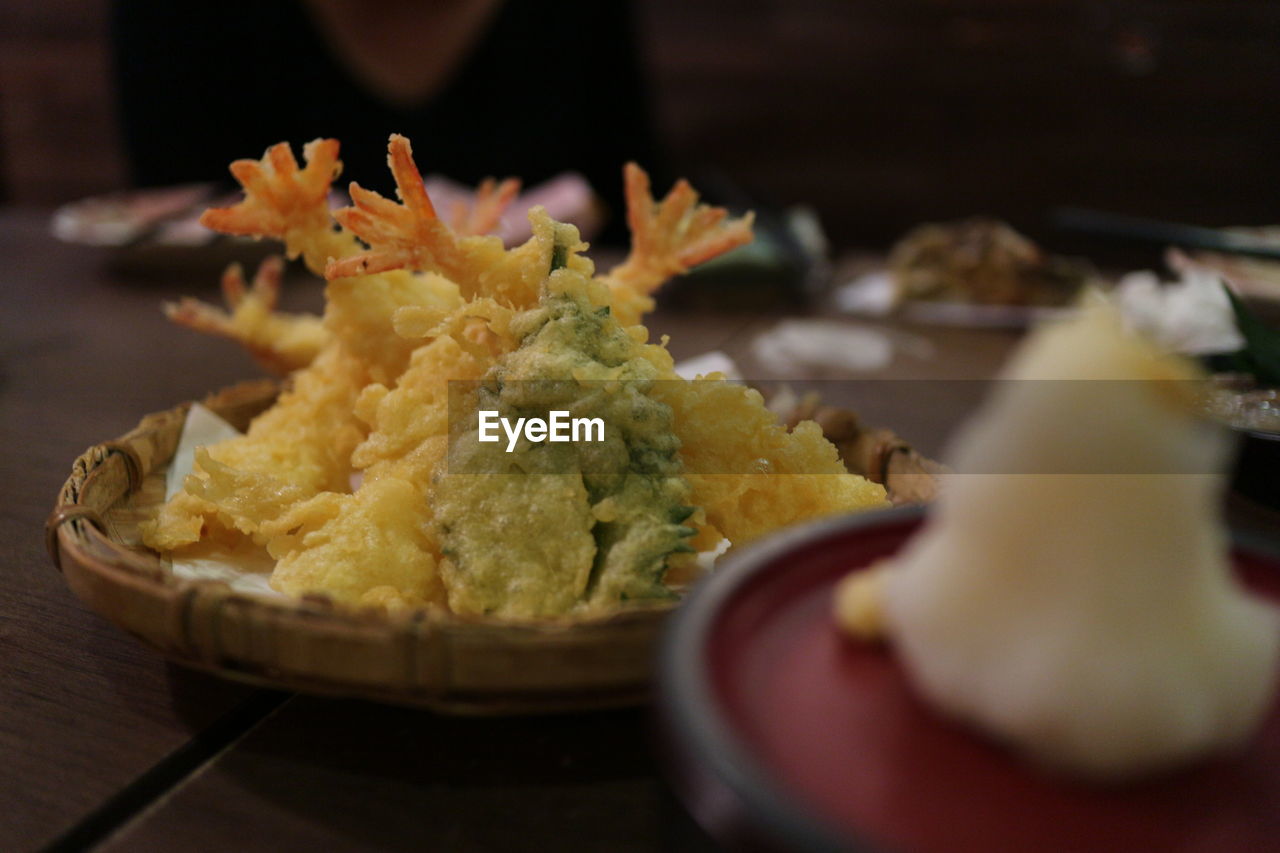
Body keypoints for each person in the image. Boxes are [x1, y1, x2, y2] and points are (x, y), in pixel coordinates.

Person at [111, 0, 662, 244]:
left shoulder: (573, 14)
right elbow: (169, 207)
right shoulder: (181, 15)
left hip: (530, 375)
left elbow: (631, 190)